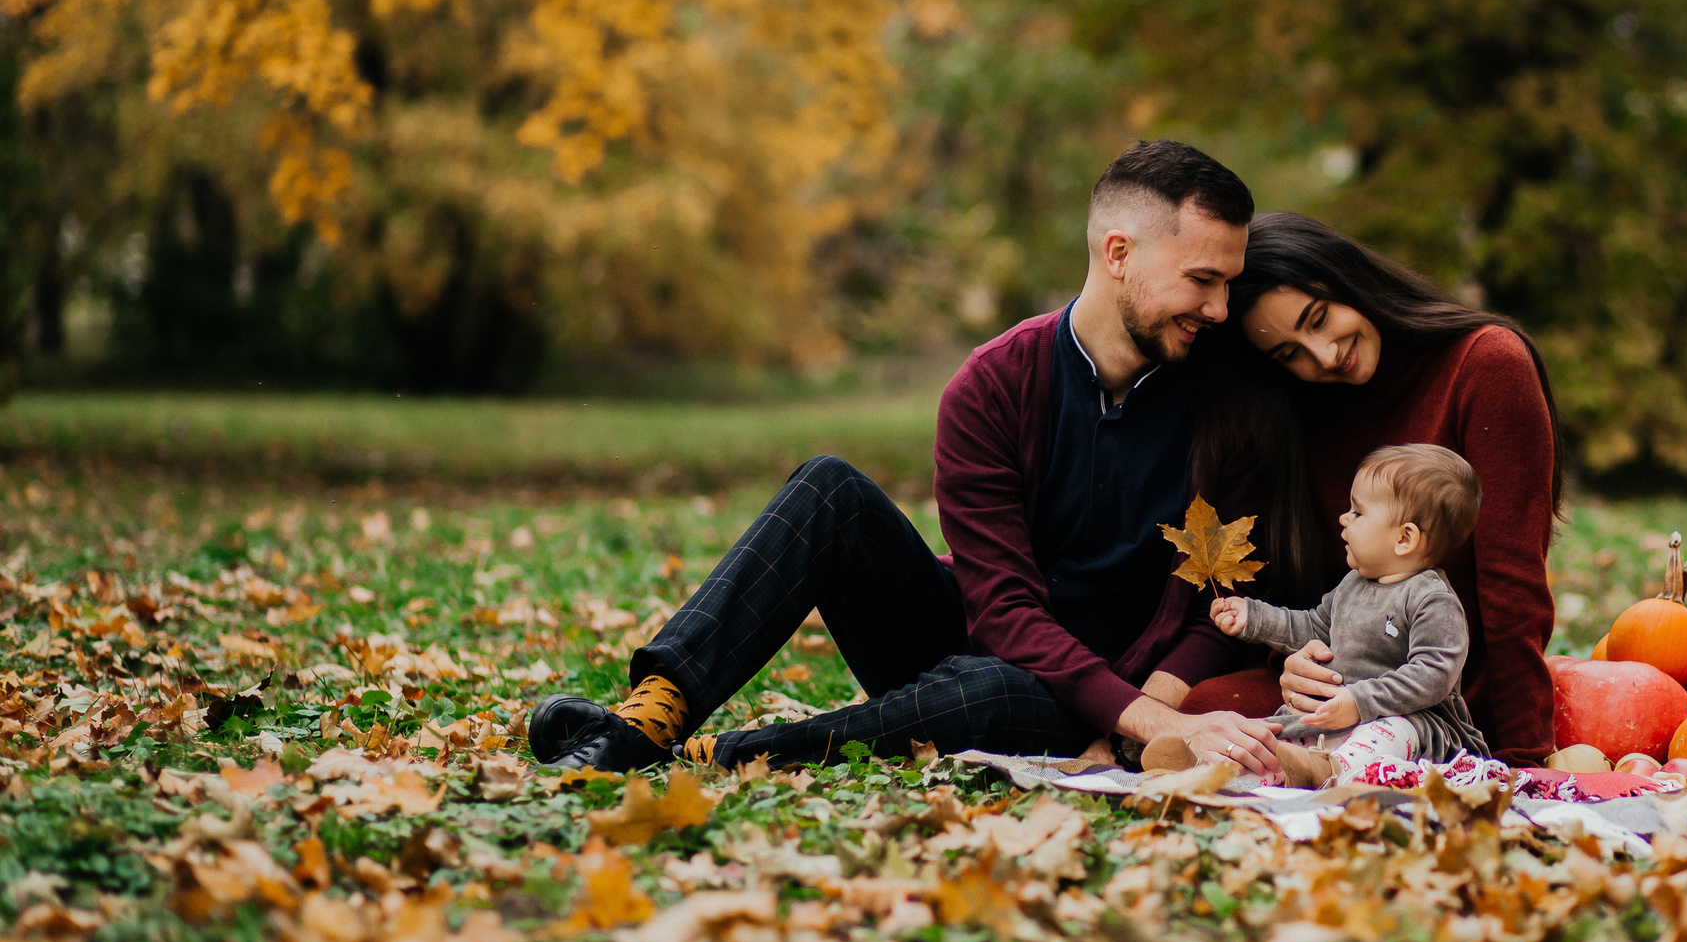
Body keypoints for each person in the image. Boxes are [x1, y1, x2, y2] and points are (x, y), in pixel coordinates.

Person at [525, 141, 1292, 777]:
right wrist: (1153, 720)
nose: (1222, 310)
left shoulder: (1224, 402)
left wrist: (1143, 715)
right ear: (1118, 252)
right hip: (978, 635)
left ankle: (720, 752)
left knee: (990, 692)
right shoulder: (992, 386)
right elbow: (1001, 609)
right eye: (1202, 280)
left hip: (1073, 690)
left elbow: (1218, 603)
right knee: (830, 488)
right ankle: (652, 712)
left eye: (1229, 283)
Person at [1193, 212, 1560, 766]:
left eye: (1318, 318)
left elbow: (1514, 591)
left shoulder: (1485, 364)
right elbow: (1320, 601)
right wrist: (1296, 667)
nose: (1322, 355)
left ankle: (1314, 769)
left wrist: (1525, 756)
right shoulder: (1298, 416)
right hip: (1338, 695)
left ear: (1348, 277)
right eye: (1289, 354)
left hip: (1440, 695)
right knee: (1208, 706)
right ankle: (1297, 765)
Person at [1148, 443, 1490, 788]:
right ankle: (1208, 767)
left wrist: (1359, 701)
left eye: (1357, 512)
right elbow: (1312, 627)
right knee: (1275, 731)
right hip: (1333, 716)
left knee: (1386, 733)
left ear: (1404, 538)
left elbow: (1432, 675)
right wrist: (1252, 617)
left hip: (1414, 726)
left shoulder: (1432, 600)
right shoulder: (1353, 585)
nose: (1344, 518)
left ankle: (1329, 770)